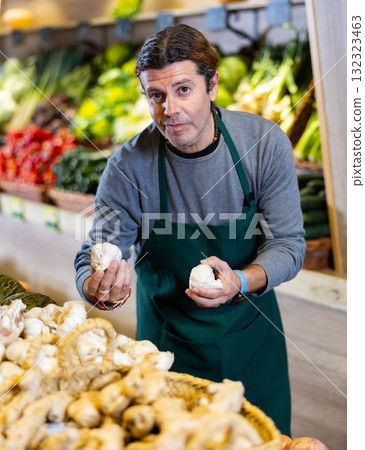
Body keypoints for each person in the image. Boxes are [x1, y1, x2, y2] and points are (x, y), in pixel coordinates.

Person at [75, 24, 305, 435]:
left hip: (252, 345)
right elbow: (97, 250)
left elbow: (288, 245)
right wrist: (98, 288)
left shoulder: (265, 144)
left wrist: (241, 280)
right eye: (156, 95)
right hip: (167, 354)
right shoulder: (127, 167)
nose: (170, 110)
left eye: (183, 90)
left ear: (212, 85)